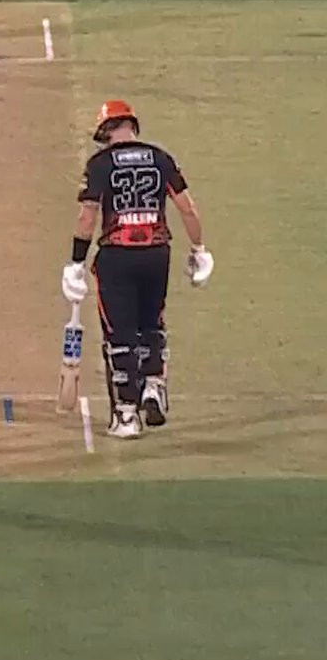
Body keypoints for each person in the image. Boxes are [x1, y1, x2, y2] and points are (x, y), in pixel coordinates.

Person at [60, 101, 214, 439]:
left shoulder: (100, 164)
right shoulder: (160, 158)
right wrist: (199, 249)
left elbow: (87, 216)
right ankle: (153, 386)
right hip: (157, 253)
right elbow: (187, 208)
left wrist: (76, 262)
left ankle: (127, 414)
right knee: (151, 324)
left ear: (105, 130)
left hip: (117, 256)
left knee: (120, 335)